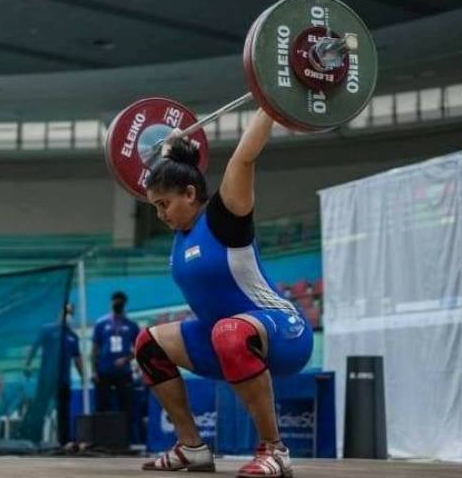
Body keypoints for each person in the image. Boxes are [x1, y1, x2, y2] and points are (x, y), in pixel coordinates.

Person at [138, 109, 312, 477]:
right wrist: (167, 155)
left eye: (164, 204)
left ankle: (275, 451)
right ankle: (191, 447)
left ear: (190, 193)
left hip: (282, 332)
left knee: (229, 332)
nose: (161, 215)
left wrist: (271, 103)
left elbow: (244, 157)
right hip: (226, 340)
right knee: (148, 344)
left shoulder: (223, 215)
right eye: (155, 207)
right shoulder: (180, 237)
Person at [23, 302, 84, 446]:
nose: (68, 316)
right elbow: (33, 348)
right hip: (46, 378)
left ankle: (64, 442)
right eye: (66, 313)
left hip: (63, 380)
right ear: (60, 313)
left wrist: (83, 376)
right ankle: (34, 439)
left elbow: (77, 359)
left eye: (71, 314)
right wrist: (27, 364)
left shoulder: (73, 337)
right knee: (40, 408)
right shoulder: (47, 330)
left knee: (63, 411)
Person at [92, 291, 140, 428]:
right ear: (111, 302)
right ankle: (102, 439)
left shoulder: (131, 325)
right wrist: (94, 371)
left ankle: (126, 439)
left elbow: (139, 348)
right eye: (115, 301)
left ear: (124, 304)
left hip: (123, 371)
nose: (117, 304)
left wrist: (126, 359)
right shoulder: (101, 323)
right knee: (102, 405)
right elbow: (95, 348)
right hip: (104, 370)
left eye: (120, 301)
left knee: (126, 405)